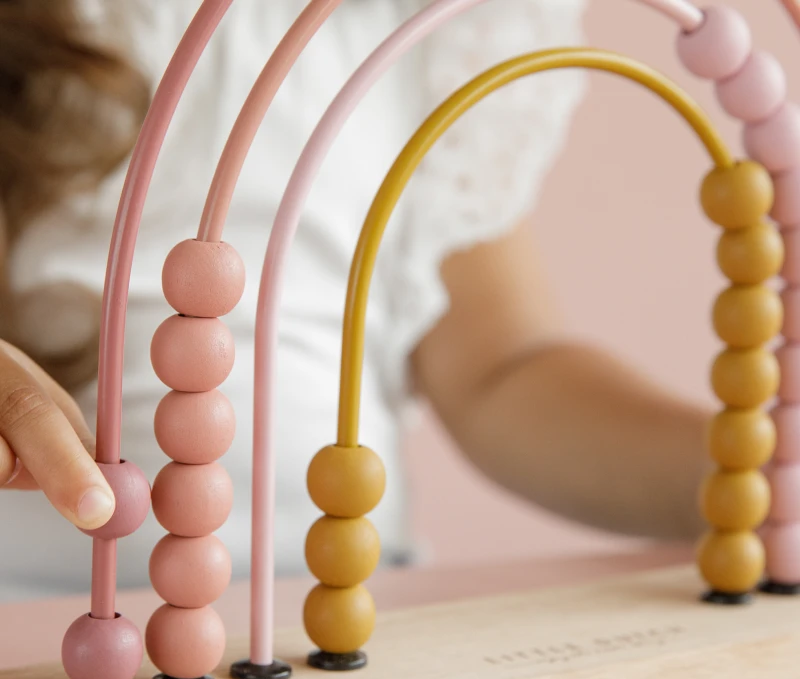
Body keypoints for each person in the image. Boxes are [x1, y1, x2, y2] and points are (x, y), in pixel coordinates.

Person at [0, 0, 709, 601]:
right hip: (34, 616)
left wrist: (743, 470)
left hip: (344, 610)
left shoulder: (428, 25)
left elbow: (500, 368)